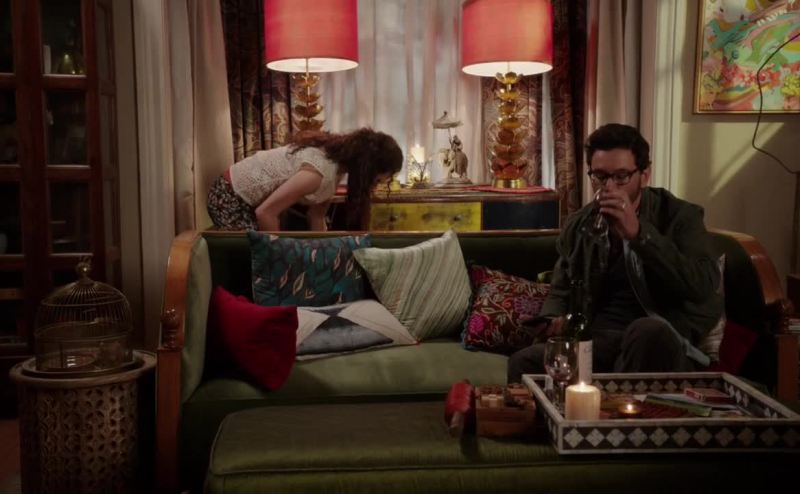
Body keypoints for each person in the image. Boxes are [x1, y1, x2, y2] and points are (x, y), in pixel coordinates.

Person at [507, 123, 723, 383]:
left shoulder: (679, 216)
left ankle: (616, 405)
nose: (608, 187)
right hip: (599, 340)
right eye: (599, 176)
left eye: (621, 176)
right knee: (524, 362)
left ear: (644, 175)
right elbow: (561, 290)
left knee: (647, 331)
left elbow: (701, 285)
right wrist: (552, 320)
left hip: (662, 338)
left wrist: (640, 235)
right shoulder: (580, 224)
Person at [207, 127, 403, 231]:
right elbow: (265, 213)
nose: (374, 186)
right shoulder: (318, 173)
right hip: (228, 196)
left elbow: (316, 216)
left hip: (249, 202)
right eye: (377, 181)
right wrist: (279, 258)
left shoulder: (337, 169)